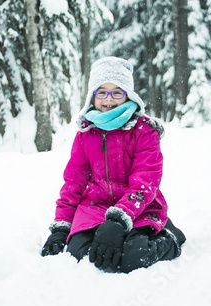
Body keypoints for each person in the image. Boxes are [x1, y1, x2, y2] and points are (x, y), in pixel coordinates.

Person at [41, 57, 186, 273]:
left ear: (128, 95)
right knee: (81, 254)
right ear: (93, 96)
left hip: (139, 208)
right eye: (102, 92)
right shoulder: (85, 135)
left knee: (132, 257)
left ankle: (170, 238)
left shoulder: (144, 132)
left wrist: (118, 220)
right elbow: (74, 183)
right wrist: (62, 227)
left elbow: (145, 182)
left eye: (117, 92)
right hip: (95, 209)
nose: (109, 99)